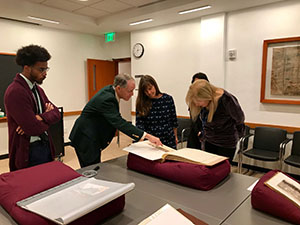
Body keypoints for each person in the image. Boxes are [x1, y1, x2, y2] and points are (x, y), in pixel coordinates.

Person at [69, 73, 162, 168]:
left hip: (91, 135)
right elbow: (119, 122)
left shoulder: (111, 92)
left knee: (94, 167)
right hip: (86, 138)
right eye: (130, 91)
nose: (132, 94)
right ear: (118, 88)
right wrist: (147, 136)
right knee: (90, 169)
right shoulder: (107, 99)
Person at [4, 44, 61, 171]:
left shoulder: (37, 89)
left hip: (44, 145)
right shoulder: (16, 91)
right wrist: (45, 118)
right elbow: (32, 128)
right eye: (41, 69)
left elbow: (56, 113)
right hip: (29, 151)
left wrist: (40, 117)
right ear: (27, 68)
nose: (45, 73)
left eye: (46, 69)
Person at [185, 79, 245, 162]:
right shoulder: (204, 104)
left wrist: (239, 135)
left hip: (226, 144)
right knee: (209, 169)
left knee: (222, 170)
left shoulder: (226, 100)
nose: (197, 104)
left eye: (199, 101)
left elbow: (239, 119)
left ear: (207, 96)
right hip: (209, 141)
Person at [136, 75, 178, 149]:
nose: (149, 92)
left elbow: (173, 121)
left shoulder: (168, 99)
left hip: (168, 138)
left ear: (154, 85)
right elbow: (139, 125)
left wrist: (175, 136)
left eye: (150, 88)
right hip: (151, 141)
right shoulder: (141, 103)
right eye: (146, 91)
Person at [187, 72, 209, 149]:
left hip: (209, 135)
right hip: (195, 133)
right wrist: (198, 132)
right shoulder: (192, 99)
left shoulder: (211, 100)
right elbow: (193, 119)